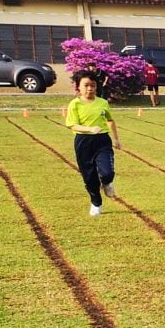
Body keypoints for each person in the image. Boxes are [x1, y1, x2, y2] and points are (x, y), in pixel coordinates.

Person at [65, 70, 121, 217]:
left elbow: (110, 120)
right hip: (83, 142)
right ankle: (96, 203)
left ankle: (107, 182)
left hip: (102, 140)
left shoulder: (103, 103)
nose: (90, 88)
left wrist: (116, 139)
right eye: (86, 85)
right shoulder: (75, 104)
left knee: (107, 172)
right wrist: (89, 129)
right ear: (79, 87)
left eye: (93, 85)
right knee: (89, 176)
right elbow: (71, 125)